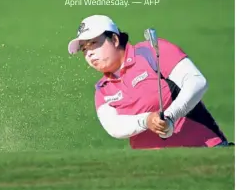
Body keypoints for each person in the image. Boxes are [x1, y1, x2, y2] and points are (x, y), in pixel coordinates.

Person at [68, 14, 232, 149]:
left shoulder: (151, 52)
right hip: (154, 167)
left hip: (205, 149)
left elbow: (196, 81)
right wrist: (147, 120)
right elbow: (114, 126)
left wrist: (170, 117)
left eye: (93, 44)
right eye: (84, 50)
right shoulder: (102, 89)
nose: (89, 54)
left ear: (115, 40)